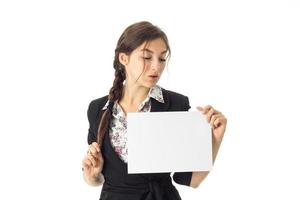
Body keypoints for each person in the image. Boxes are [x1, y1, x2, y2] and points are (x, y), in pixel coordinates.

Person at [81, 21, 227, 200]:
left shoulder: (175, 105)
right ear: (123, 59)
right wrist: (92, 175)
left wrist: (215, 140)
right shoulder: (97, 109)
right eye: (147, 57)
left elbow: (190, 179)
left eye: (162, 58)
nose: (156, 66)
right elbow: (96, 180)